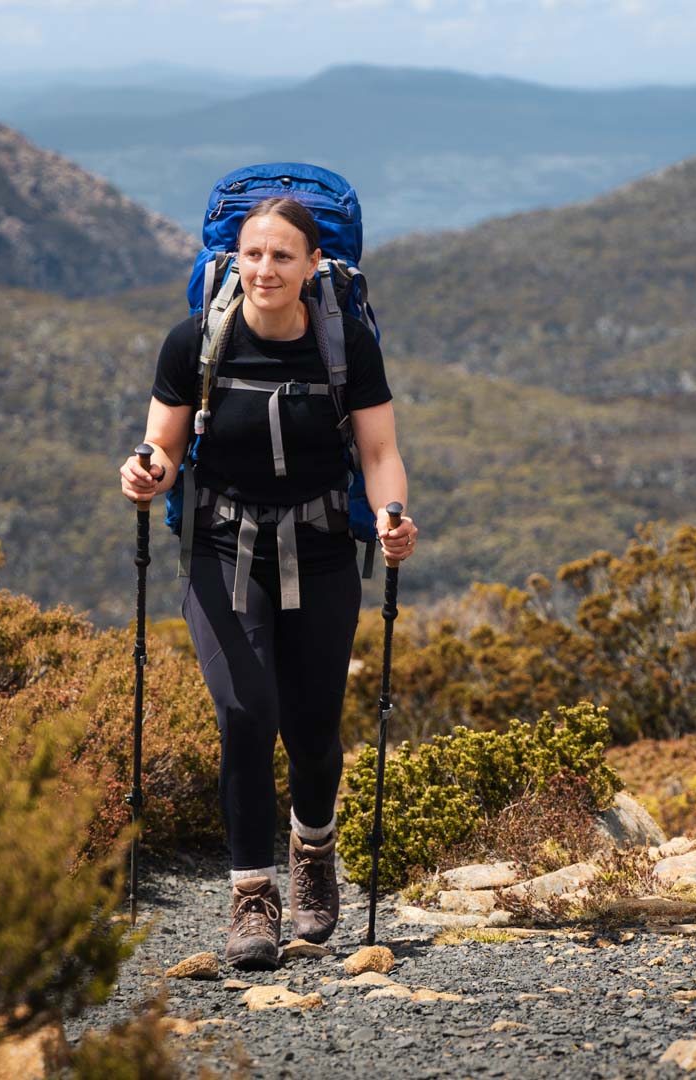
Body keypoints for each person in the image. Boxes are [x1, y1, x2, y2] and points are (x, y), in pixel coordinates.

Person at [120, 196, 417, 970]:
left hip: (319, 549)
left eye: (283, 256)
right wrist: (144, 473)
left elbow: (379, 449)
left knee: (314, 727)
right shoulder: (195, 342)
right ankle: (253, 894)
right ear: (233, 260)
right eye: (253, 254)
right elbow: (161, 443)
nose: (265, 270)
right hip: (221, 546)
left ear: (314, 264)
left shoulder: (343, 344)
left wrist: (390, 513)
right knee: (247, 713)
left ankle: (312, 852)